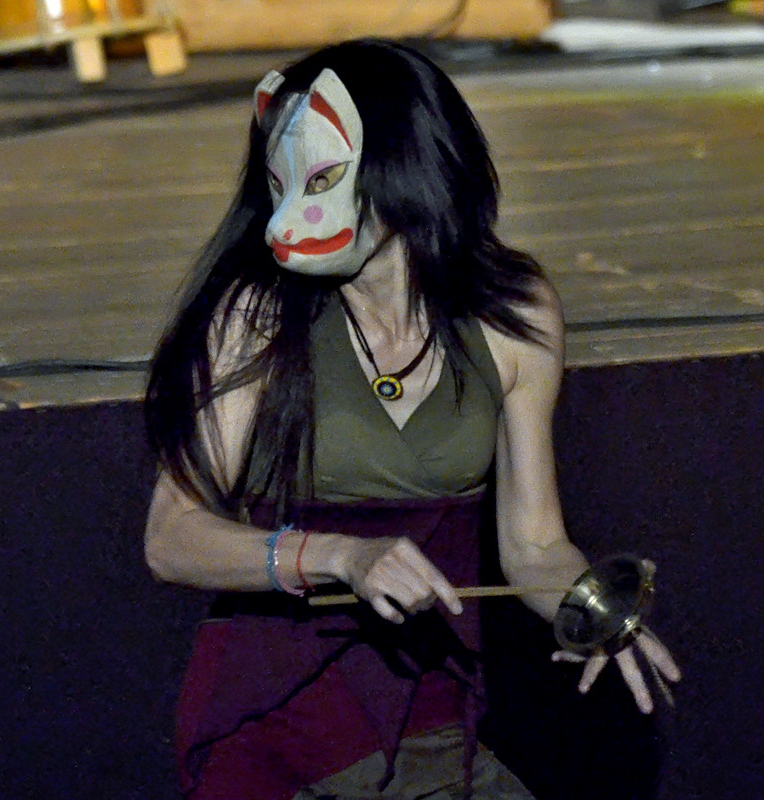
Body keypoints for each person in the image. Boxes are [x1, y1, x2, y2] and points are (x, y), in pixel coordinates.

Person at [143, 39, 680, 800]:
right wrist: (338, 557)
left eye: (322, 179)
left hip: (429, 711)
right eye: (279, 183)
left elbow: (534, 547)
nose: (284, 218)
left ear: (404, 164)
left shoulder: (513, 314)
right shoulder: (257, 318)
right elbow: (170, 537)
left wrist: (591, 608)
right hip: (281, 714)